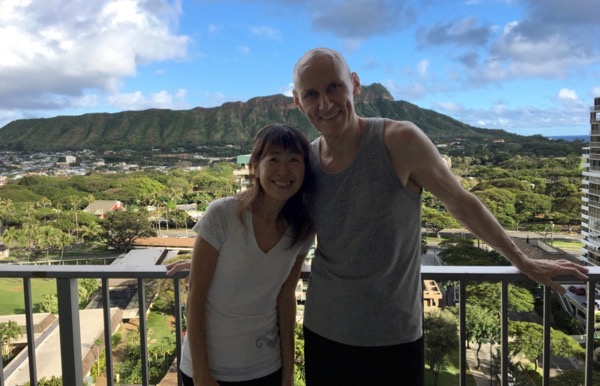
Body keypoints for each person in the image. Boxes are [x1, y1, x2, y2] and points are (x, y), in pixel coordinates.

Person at [290, 47, 589, 386]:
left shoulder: (398, 140)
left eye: (334, 87)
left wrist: (522, 259)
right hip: (324, 332)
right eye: (311, 94)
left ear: (355, 85)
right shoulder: (306, 162)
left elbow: (460, 202)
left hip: (394, 336)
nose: (325, 104)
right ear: (298, 102)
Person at [170, 123, 314, 386]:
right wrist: (202, 375)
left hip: (265, 366)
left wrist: (288, 370)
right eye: (273, 159)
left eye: (294, 160)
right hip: (209, 369)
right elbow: (196, 296)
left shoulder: (303, 228)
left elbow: (285, 297)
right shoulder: (223, 214)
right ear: (256, 166)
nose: (284, 170)